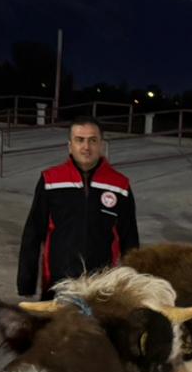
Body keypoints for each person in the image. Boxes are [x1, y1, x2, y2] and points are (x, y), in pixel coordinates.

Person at [16, 118, 139, 299]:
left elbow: (130, 241)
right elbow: (33, 233)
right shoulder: (51, 180)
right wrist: (26, 282)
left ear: (101, 145)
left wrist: (133, 286)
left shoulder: (119, 185)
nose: (86, 147)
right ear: (70, 145)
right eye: (79, 140)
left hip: (102, 286)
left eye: (92, 140)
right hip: (58, 284)